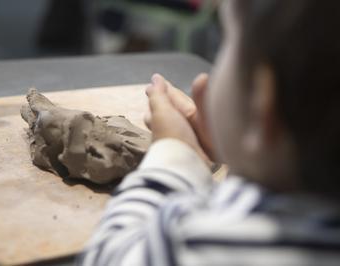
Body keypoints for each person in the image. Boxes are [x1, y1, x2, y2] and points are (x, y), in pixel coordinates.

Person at [76, 0, 340, 265]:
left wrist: (175, 158)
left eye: (226, 39)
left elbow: (108, 255)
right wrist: (243, 159)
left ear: (261, 99)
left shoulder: (208, 242)